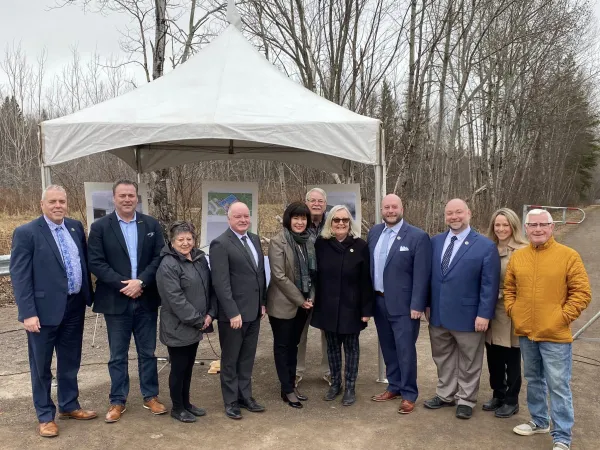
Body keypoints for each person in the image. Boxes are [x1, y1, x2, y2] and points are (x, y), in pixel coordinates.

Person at [9, 185, 97, 437]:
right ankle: (45, 415)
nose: (58, 205)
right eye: (52, 202)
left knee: (70, 361)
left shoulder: (75, 227)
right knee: (41, 366)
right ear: (42, 204)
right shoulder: (27, 232)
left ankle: (69, 405)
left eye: (62, 201)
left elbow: (82, 261)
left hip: (73, 306)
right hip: (42, 311)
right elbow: (20, 274)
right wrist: (28, 312)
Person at [505, 209, 591, 450]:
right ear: (526, 228)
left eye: (543, 224)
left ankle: (562, 435)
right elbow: (510, 289)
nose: (538, 229)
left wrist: (561, 318)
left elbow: (582, 293)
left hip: (555, 335)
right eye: (533, 225)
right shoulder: (519, 257)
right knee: (534, 379)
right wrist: (515, 310)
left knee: (558, 385)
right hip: (526, 333)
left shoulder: (568, 256)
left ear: (552, 227)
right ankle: (540, 420)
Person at [88, 179, 166, 423]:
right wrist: (126, 285)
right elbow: (96, 262)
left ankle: (150, 396)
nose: (127, 199)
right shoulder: (100, 227)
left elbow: (159, 257)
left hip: (146, 298)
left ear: (137, 198)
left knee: (147, 351)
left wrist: (140, 282)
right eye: (122, 195)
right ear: (114, 198)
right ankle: (117, 400)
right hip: (116, 299)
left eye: (131, 195)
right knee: (117, 354)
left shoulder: (151, 224)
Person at [424, 198, 500, 420]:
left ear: (469, 213)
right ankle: (445, 394)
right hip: (438, 314)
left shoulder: (485, 246)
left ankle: (466, 399)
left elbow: (489, 284)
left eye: (459, 212)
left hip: (469, 316)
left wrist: (484, 314)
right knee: (442, 357)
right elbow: (429, 277)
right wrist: (427, 303)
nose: (454, 217)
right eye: (450, 213)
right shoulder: (435, 241)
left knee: (469, 359)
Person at [368, 194, 431, 414]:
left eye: (394, 207)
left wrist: (418, 305)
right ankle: (393, 386)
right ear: (381, 210)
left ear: (401, 208)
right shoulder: (374, 232)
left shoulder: (417, 236)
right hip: (379, 302)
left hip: (405, 307)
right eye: (386, 207)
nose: (390, 211)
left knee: (405, 350)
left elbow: (422, 275)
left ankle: (409, 393)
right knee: (388, 348)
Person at [311, 205, 373, 406]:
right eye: (336, 220)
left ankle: (350, 387)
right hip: (328, 307)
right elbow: (315, 276)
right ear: (330, 222)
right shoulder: (321, 244)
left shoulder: (361, 246)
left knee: (352, 349)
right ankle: (335, 384)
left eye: (344, 220)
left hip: (352, 308)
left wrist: (366, 310)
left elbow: (366, 280)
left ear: (350, 223)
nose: (340, 223)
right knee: (332, 348)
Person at [210, 201, 267, 420]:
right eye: (238, 217)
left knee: (247, 358)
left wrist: (262, 302)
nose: (243, 220)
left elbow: (259, 275)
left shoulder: (253, 239)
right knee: (231, 359)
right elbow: (220, 283)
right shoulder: (220, 244)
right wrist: (232, 312)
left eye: (246, 216)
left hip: (254, 312)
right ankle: (231, 401)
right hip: (233, 316)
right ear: (229, 219)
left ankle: (246, 396)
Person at [156, 221, 217, 423]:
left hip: (197, 324)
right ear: (172, 242)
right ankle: (178, 407)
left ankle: (187, 403)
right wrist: (199, 320)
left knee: (189, 366)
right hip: (178, 326)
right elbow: (175, 299)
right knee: (179, 367)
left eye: (189, 239)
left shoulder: (199, 259)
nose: (185, 243)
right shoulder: (168, 265)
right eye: (180, 240)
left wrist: (210, 314)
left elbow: (208, 288)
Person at [267, 202, 316, 409]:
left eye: (303, 218)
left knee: (294, 345)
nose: (299, 222)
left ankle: (291, 384)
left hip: (304, 304)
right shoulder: (278, 242)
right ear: (289, 219)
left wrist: (311, 297)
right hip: (283, 304)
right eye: (296, 218)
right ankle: (286, 389)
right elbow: (279, 276)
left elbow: (314, 273)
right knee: (283, 346)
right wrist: (300, 300)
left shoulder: (310, 241)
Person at [481, 208, 528, 418]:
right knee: (493, 356)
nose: (501, 229)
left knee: (512, 357)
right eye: (497, 225)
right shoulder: (487, 247)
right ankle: (498, 393)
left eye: (505, 225)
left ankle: (511, 399)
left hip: (511, 311)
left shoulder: (523, 249)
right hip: (490, 310)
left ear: (513, 226)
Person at [296, 187, 330, 387]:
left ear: (325, 204)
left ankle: (329, 371)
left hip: (327, 288)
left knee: (329, 333)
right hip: (304, 288)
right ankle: (297, 371)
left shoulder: (334, 222)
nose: (316, 204)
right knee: (300, 332)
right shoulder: (298, 224)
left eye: (320, 201)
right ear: (306, 202)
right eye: (312, 200)